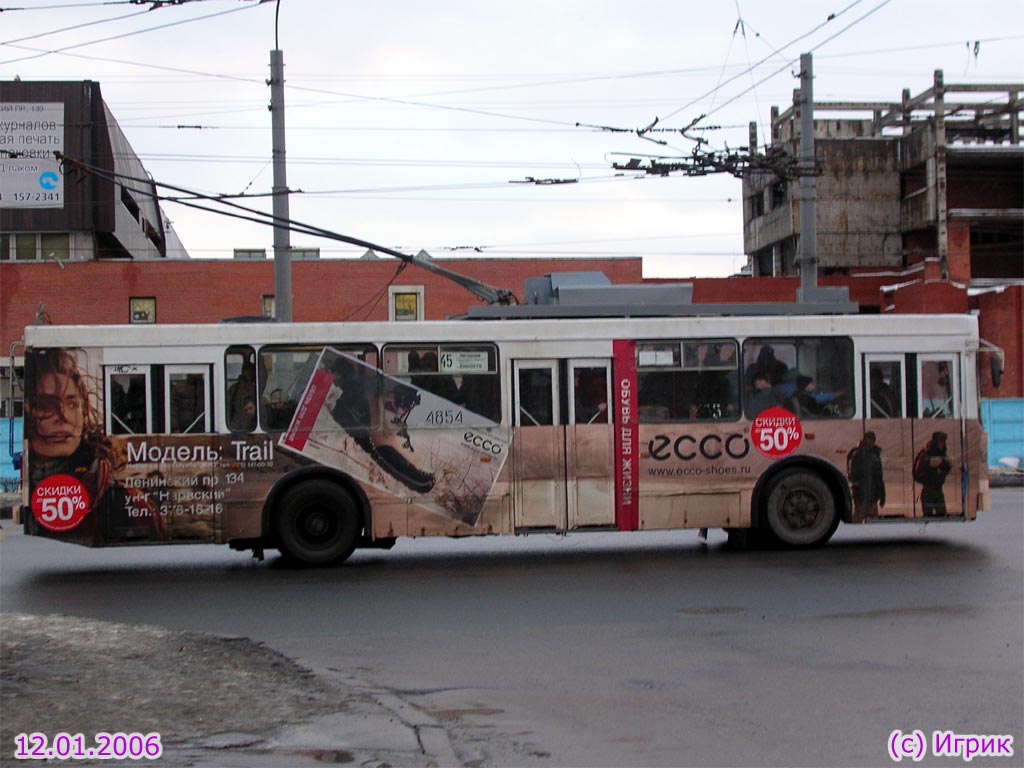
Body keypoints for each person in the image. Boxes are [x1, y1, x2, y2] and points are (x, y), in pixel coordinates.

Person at [25, 349, 167, 542]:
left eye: (72, 404)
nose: (63, 418)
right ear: (27, 411)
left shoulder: (130, 502)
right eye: (44, 405)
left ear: (83, 408)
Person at [847, 431, 886, 518]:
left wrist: (882, 494)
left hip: (873, 494)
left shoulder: (875, 455)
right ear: (865, 440)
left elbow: (879, 477)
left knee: (872, 519)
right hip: (861, 494)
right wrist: (857, 491)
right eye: (869, 439)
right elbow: (854, 475)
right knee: (859, 516)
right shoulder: (858, 454)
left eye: (873, 440)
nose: (871, 442)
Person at [914, 431, 952, 517]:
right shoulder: (925, 455)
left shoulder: (943, 455)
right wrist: (931, 468)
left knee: (942, 515)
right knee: (928, 515)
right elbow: (918, 473)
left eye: (943, 441)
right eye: (941, 441)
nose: (943, 444)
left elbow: (947, 468)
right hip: (928, 491)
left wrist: (942, 470)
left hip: (938, 490)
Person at [227, 362, 258, 431]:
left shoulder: (258, 387)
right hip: (236, 426)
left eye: (251, 371)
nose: (249, 373)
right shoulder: (234, 388)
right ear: (243, 372)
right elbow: (227, 407)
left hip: (253, 426)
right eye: (247, 370)